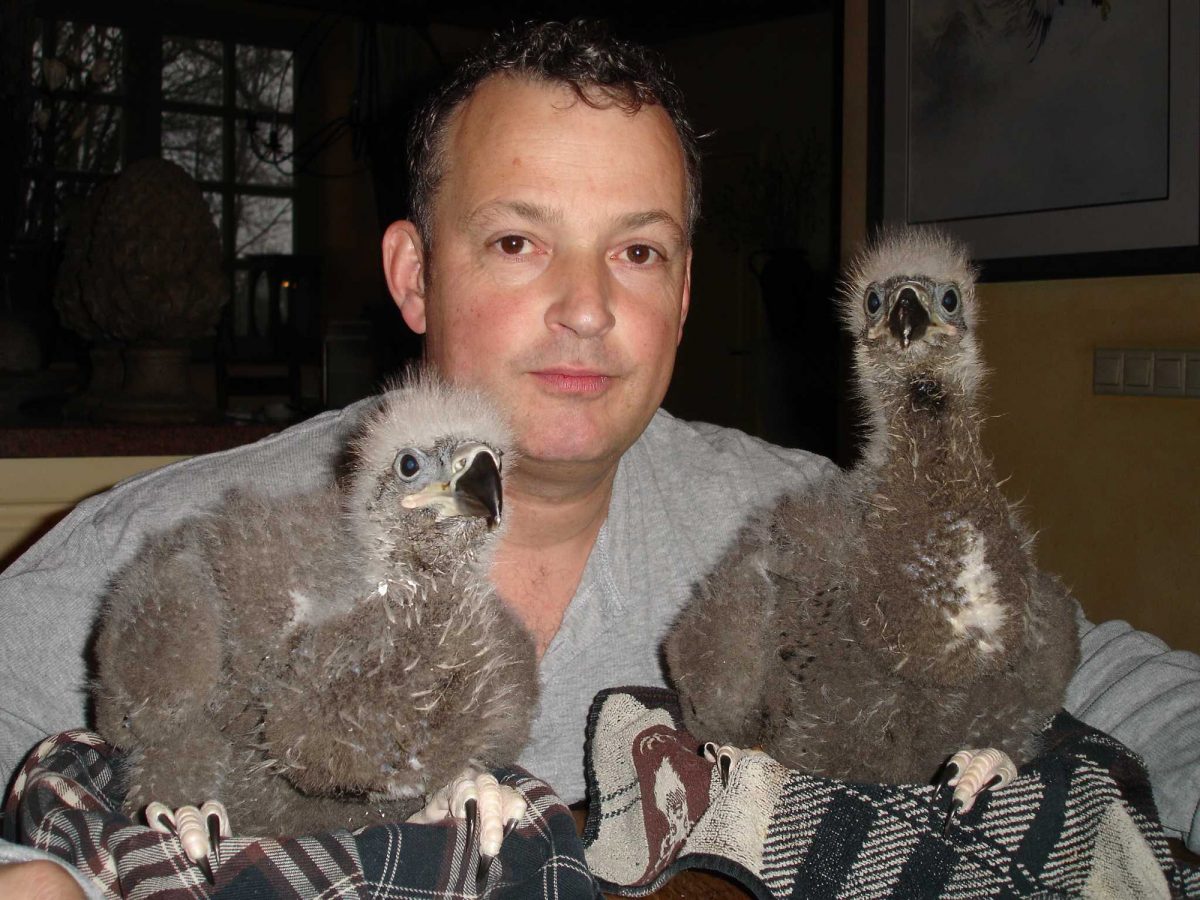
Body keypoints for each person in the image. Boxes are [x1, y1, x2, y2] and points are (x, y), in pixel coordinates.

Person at [2, 19, 1198, 893]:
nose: (586, 308)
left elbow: (1094, 677)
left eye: (638, 253)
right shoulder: (183, 554)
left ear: (681, 299)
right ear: (414, 276)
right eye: (520, 240)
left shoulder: (795, 526)